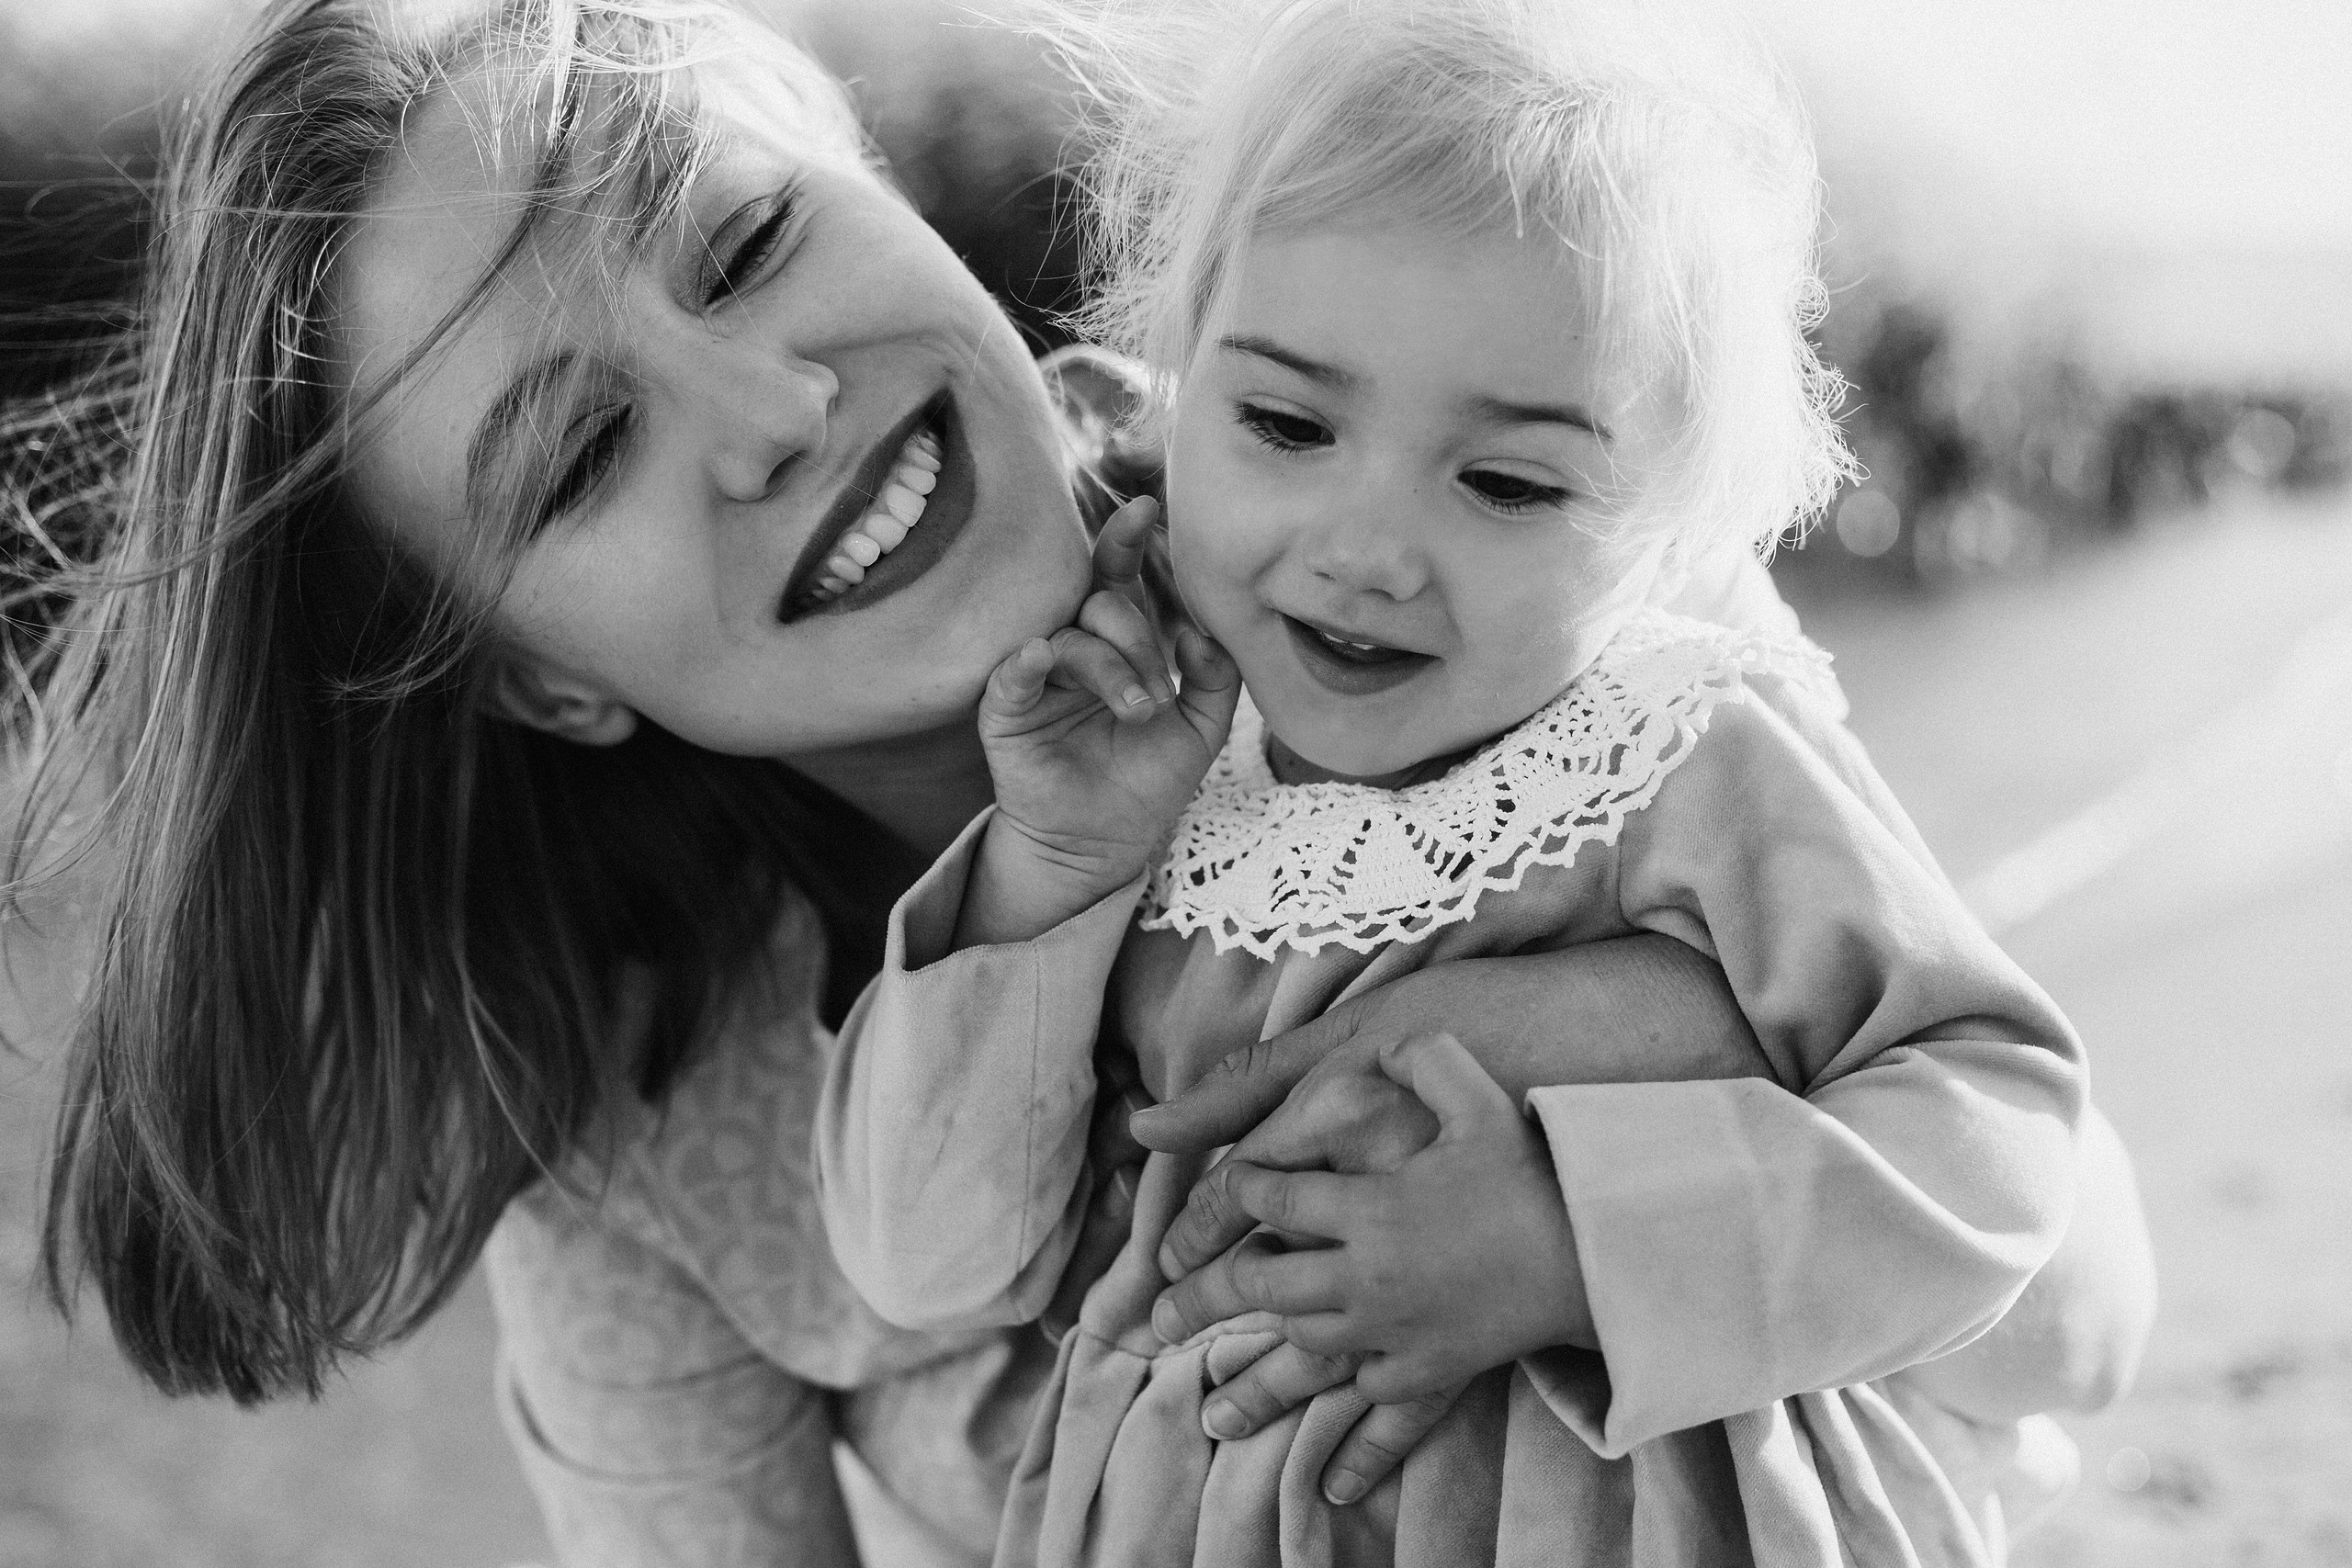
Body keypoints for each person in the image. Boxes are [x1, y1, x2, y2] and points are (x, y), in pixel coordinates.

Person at [0, 0, 2149, 1563]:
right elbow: (921, 1252)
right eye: (576, 453)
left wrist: (1586, 1139)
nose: (762, 408)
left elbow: (2054, 1299)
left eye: (747, 242)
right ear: (543, 685)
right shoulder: (644, 1149)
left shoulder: (1460, 532)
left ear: (864, 176)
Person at [816, 1, 2130, 1563]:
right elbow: (925, 1257)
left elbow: (1993, 1131)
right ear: (1174, 383)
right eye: (1286, 421)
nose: (1366, 549)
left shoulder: (1673, 754)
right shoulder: (1134, 744)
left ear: (1663, 520)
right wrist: (1049, 863)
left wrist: (1576, 1243)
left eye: (1506, 481)